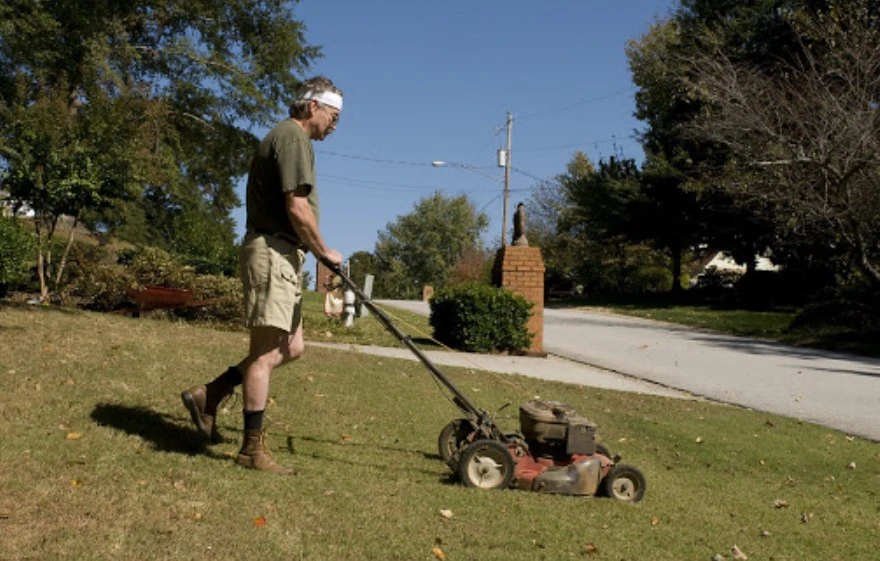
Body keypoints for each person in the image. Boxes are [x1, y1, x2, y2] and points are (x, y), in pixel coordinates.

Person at [181, 76, 344, 475]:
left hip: (283, 253)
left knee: (292, 346)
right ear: (313, 107)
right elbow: (297, 206)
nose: (336, 125)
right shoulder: (293, 138)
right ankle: (250, 449)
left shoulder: (291, 139)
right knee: (263, 355)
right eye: (334, 116)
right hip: (272, 252)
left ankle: (211, 394)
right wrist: (325, 252)